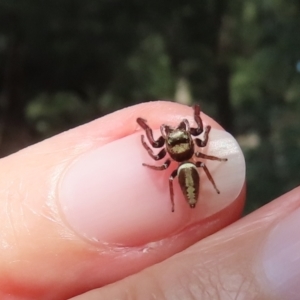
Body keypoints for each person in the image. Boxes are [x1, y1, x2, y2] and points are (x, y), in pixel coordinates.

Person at [0, 101, 298, 300]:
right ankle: (182, 202)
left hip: (184, 170)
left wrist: (148, 134)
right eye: (173, 137)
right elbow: (202, 142)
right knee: (202, 165)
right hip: (192, 168)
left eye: (175, 136)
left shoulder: (169, 156)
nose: (175, 136)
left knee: (189, 170)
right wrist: (198, 124)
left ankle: (180, 203)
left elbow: (159, 157)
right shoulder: (195, 153)